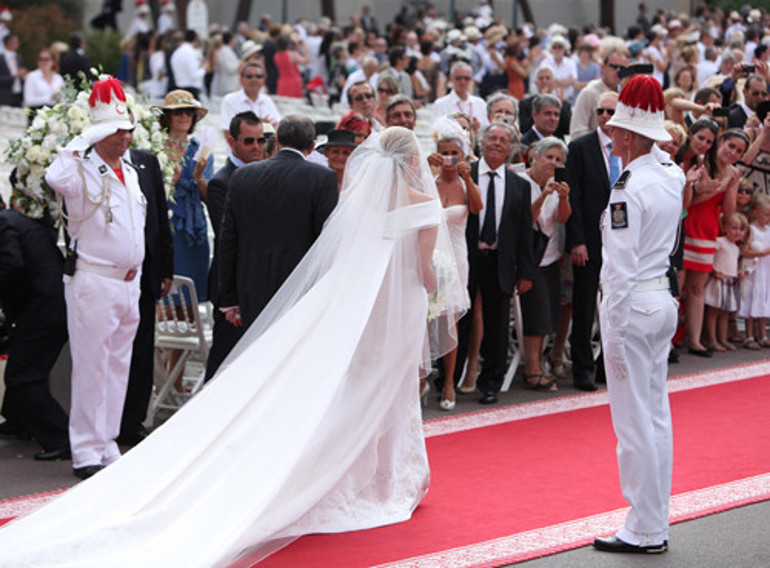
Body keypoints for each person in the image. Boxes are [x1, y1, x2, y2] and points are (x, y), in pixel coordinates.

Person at [0, 126, 467, 568]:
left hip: (356, 306)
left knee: (357, 389)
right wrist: (439, 285)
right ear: (411, 162)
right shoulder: (424, 203)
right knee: (388, 388)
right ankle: (384, 479)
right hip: (396, 307)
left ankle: (362, 475)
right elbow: (426, 274)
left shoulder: (359, 199)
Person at [592, 75, 684, 555]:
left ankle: (643, 527)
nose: (609, 133)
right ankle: (655, 521)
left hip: (633, 304)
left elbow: (621, 267)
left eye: (615, 126)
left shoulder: (628, 187)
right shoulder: (670, 173)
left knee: (632, 425)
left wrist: (613, 327)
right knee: (656, 416)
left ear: (629, 136)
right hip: (661, 299)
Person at [44, 77, 146, 480]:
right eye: (116, 130)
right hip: (94, 279)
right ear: (99, 132)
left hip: (128, 282)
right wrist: (86, 136)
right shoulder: (81, 169)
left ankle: (107, 443)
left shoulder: (131, 171)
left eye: (127, 130)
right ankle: (85, 448)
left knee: (118, 366)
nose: (125, 137)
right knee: (91, 367)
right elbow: (55, 177)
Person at [218, 115, 338, 329]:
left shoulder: (242, 175)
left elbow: (228, 240)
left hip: (251, 286)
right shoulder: (323, 178)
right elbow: (326, 241)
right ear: (312, 147)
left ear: (277, 140)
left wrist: (229, 298)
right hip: (299, 289)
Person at [453, 122, 535, 405]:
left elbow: (524, 232)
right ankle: (448, 382)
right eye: (493, 138)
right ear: (482, 142)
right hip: (466, 259)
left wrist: (525, 271)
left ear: (511, 147)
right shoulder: (464, 174)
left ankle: (491, 385)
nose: (497, 143)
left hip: (501, 262)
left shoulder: (519, 185)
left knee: (497, 327)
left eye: (503, 139)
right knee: (460, 321)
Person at [118, 128, 175, 447]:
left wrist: (166, 267)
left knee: (141, 349)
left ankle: (132, 421)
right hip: (109, 273)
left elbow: (160, 219)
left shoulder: (147, 162)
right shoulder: (91, 162)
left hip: (145, 273)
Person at [0, 209, 70, 461]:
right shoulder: (14, 221)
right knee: (24, 366)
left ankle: (61, 438)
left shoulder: (4, 223)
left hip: (45, 306)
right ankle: (17, 421)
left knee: (22, 376)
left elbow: (11, 264)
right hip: (49, 303)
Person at [204, 111, 265, 381]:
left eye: (261, 140)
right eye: (249, 141)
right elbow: (228, 238)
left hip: (258, 284)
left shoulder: (265, 175)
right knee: (222, 360)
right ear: (232, 141)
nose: (256, 147)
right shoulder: (221, 183)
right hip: (230, 288)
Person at [565, 91, 620, 391]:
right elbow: (573, 196)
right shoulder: (579, 147)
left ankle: (607, 366)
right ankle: (582, 368)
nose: (606, 117)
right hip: (589, 238)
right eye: (601, 111)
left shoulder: (629, 147)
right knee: (585, 306)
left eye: (611, 111)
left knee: (617, 305)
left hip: (621, 240)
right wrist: (577, 241)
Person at [429, 118, 483, 409]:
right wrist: (427, 169)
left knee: (450, 320)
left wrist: (469, 177)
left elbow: (477, 208)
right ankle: (422, 378)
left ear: (463, 155)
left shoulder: (466, 184)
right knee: (424, 318)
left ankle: (449, 381)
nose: (449, 158)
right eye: (444, 153)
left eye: (455, 153)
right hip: (429, 256)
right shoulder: (429, 182)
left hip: (457, 257)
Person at [682, 129, 748, 357]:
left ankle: (696, 341)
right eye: (731, 146)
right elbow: (688, 202)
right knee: (678, 286)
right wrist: (717, 185)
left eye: (739, 151)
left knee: (697, 288)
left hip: (708, 231)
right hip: (686, 224)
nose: (733, 153)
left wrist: (732, 185)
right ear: (721, 142)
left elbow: (729, 213)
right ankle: (670, 341)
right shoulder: (701, 162)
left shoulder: (732, 172)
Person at [518, 137, 572, 392]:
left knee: (548, 312)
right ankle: (532, 370)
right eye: (549, 157)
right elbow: (525, 219)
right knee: (535, 315)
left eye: (558, 159)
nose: (553, 162)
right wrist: (544, 195)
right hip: (528, 257)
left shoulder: (558, 184)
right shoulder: (520, 181)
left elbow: (563, 218)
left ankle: (539, 363)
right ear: (535, 157)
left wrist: (563, 198)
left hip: (551, 256)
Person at [155, 89, 213, 303]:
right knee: (163, 295)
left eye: (189, 112)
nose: (184, 117)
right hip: (164, 225)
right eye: (178, 112)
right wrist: (169, 183)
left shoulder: (201, 151)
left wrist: (199, 179)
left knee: (191, 297)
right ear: (167, 117)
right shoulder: (155, 149)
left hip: (193, 226)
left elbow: (209, 198)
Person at [703, 211, 748, 351]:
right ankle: (712, 340)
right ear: (725, 227)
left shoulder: (736, 248)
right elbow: (709, 257)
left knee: (725, 312)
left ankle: (723, 339)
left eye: (741, 229)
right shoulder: (720, 242)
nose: (737, 232)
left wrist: (739, 272)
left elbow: (734, 263)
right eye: (734, 228)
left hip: (730, 283)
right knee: (714, 311)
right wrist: (714, 269)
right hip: (718, 280)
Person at [570, 49, 629, 140]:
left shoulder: (627, 95)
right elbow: (577, 132)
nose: (618, 70)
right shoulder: (589, 93)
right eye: (613, 66)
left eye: (622, 68)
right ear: (603, 68)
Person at [738, 193, 770, 348]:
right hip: (753, 272)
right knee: (751, 300)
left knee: (763, 300)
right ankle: (749, 335)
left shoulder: (768, 230)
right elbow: (744, 251)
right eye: (766, 214)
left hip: (765, 272)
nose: (768, 218)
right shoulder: (751, 229)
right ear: (756, 212)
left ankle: (762, 334)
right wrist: (761, 253)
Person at [219, 61, 282, 137]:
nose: (254, 80)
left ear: (264, 80)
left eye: (258, 76)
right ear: (241, 79)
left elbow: (278, 127)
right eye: (249, 76)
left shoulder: (267, 100)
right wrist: (262, 125)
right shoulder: (230, 100)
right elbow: (227, 131)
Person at [431, 61, 489, 135]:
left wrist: (476, 128)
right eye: (458, 78)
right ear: (451, 78)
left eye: (466, 78)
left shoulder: (480, 103)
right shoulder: (440, 104)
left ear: (471, 79)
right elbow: (435, 130)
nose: (462, 82)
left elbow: (486, 128)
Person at [169, 29, 207, 100]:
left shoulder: (177, 52)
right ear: (195, 39)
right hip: (191, 90)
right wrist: (204, 68)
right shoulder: (190, 52)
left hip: (179, 88)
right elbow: (194, 75)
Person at [22, 49, 63, 113]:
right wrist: (49, 99)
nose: (43, 62)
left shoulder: (58, 78)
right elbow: (28, 100)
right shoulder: (32, 76)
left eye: (46, 59)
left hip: (56, 114)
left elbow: (62, 99)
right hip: (37, 113)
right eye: (40, 59)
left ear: (53, 61)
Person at [274, 33, 308, 98]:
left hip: (282, 83)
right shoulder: (292, 55)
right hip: (294, 83)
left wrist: (297, 46)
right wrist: (305, 48)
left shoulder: (276, 56)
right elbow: (306, 61)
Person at [0, 34, 26, 107]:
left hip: (19, 95)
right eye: (15, 42)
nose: (18, 44)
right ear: (8, 43)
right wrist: (15, 76)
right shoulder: (1, 59)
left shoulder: (18, 57)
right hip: (4, 96)